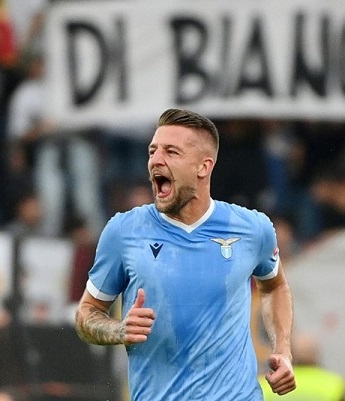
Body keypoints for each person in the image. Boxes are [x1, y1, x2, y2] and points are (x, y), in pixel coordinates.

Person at [75, 109, 296, 400]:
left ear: (203, 167)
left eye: (171, 152)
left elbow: (275, 285)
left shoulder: (252, 228)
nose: (156, 160)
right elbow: (86, 314)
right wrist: (119, 330)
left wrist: (282, 349)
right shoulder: (124, 231)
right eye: (152, 151)